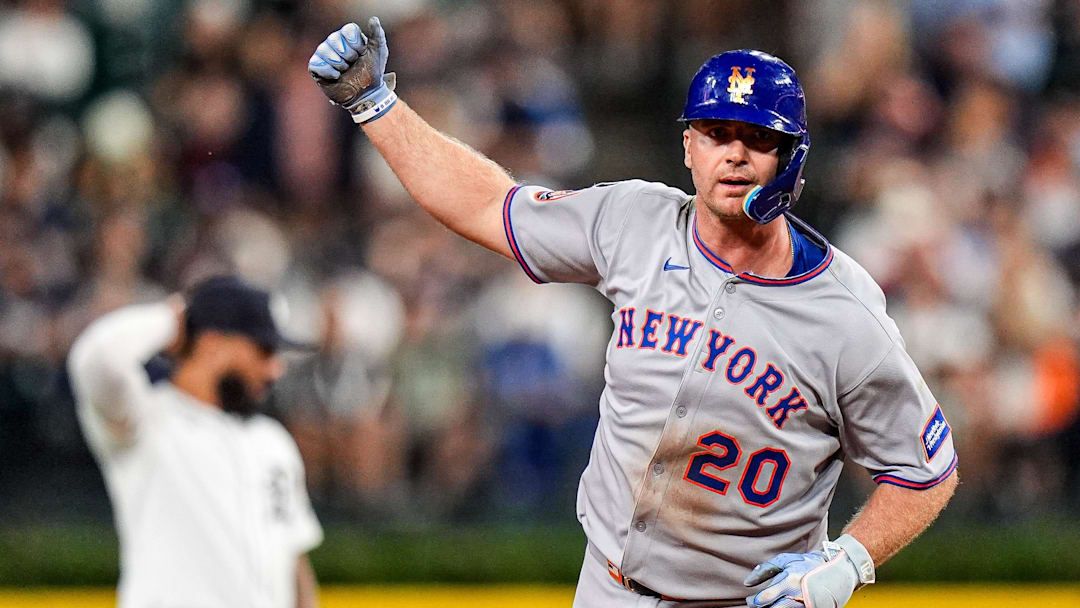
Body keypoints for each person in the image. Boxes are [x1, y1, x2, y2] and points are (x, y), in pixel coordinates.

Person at [308, 19, 959, 607]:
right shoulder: (635, 223)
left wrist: (850, 558)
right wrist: (376, 106)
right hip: (607, 586)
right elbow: (487, 206)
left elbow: (926, 471)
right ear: (688, 148)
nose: (733, 154)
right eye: (715, 133)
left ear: (793, 155)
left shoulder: (844, 314)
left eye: (757, 138)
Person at [68, 275, 323, 608]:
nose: (274, 368)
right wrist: (173, 319)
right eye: (263, 350)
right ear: (212, 343)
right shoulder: (144, 421)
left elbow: (292, 557)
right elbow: (98, 359)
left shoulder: (271, 440)